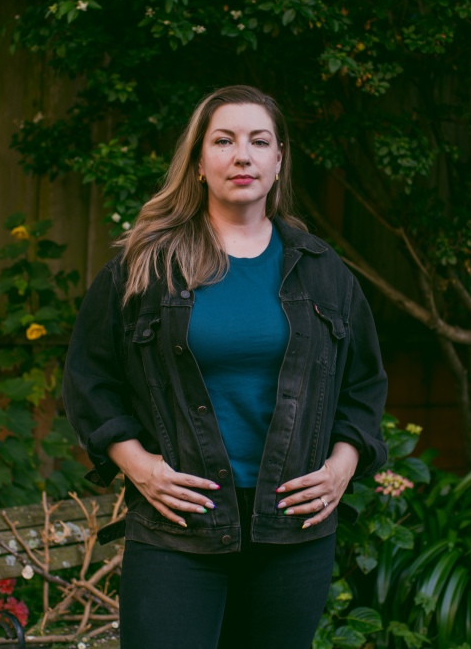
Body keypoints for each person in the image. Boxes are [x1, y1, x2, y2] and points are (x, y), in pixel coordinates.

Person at [63, 85, 387, 649]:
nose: (243, 155)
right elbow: (89, 379)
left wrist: (342, 464)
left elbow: (363, 384)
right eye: (224, 141)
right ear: (197, 164)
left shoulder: (323, 272)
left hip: (291, 529)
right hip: (179, 530)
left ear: (278, 160)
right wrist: (137, 465)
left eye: (259, 141)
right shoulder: (146, 267)